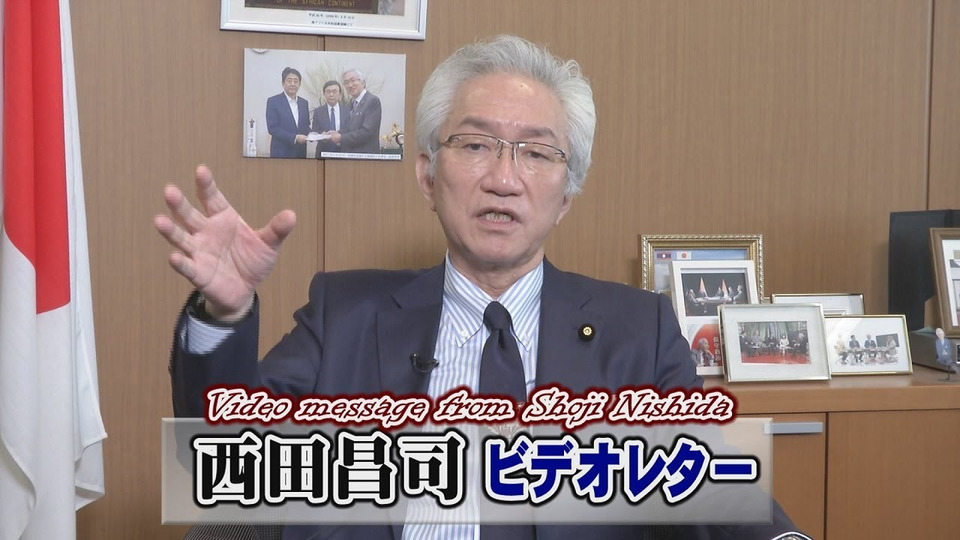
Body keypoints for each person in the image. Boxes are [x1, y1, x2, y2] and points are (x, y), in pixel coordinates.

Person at [156, 35, 803, 540]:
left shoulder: (640, 330)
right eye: (474, 145)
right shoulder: (345, 315)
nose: (504, 178)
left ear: (567, 194)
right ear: (427, 176)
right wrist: (225, 312)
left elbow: (710, 482)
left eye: (536, 153)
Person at [329, 69, 382, 154]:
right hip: (352, 156)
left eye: (353, 80)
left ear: (363, 82)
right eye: (346, 82)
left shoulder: (372, 101)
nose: (350, 85)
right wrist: (337, 133)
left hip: (365, 156)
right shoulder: (353, 103)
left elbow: (367, 132)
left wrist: (341, 137)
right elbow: (351, 128)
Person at [265, 67, 310, 158]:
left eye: (296, 81)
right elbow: (273, 128)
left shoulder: (304, 103)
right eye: (289, 81)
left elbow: (305, 126)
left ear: (299, 84)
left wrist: (317, 135)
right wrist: (295, 138)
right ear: (283, 83)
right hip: (281, 152)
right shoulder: (273, 101)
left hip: (300, 153)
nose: (293, 84)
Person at [311, 80, 344, 157]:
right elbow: (314, 130)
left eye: (334, 91)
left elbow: (351, 130)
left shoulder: (348, 110)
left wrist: (339, 134)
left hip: (343, 151)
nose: (331, 94)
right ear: (324, 94)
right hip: (323, 151)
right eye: (328, 92)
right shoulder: (318, 111)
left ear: (340, 94)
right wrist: (321, 135)